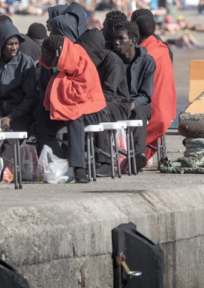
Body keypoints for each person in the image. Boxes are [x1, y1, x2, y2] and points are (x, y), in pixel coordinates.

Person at [37, 35, 106, 183]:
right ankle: (62, 160)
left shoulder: (81, 60)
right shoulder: (55, 65)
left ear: (58, 52)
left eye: (47, 56)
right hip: (66, 106)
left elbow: (80, 92)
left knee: (75, 118)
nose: (45, 59)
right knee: (41, 124)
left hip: (91, 108)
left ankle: (79, 168)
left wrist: (59, 81)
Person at [77, 28, 131, 176]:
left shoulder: (113, 63)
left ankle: (106, 160)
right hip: (96, 100)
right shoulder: (90, 63)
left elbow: (108, 93)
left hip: (118, 104)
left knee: (100, 110)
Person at [0, 20, 37, 133]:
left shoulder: (25, 62)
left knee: (11, 142)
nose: (14, 48)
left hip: (20, 115)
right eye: (10, 44)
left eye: (16, 44)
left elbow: (31, 96)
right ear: (0, 44)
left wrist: (10, 117)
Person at [111, 22, 155, 172]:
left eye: (121, 39)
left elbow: (146, 94)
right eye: (115, 39)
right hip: (117, 102)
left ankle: (138, 155)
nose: (116, 42)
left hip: (139, 104)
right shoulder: (111, 59)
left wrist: (133, 104)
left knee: (138, 112)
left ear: (132, 41)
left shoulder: (147, 61)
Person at [134, 15, 176, 163]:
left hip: (153, 110)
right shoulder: (163, 49)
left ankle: (136, 152)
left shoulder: (143, 53)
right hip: (167, 108)